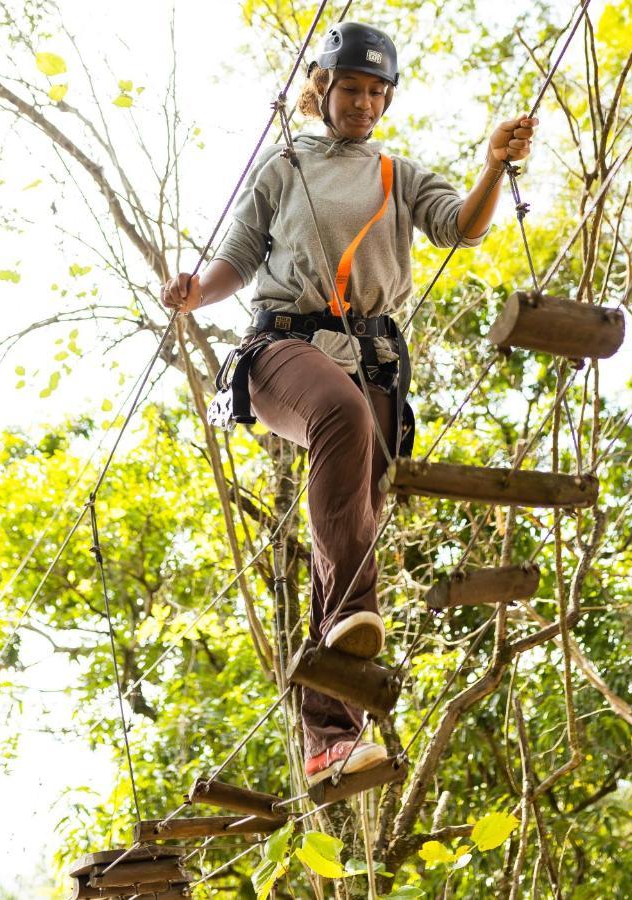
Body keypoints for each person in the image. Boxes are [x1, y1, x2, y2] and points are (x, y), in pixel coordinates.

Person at [162, 22, 537, 787]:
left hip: (372, 364)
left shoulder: (400, 175)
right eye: (350, 88)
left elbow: (461, 229)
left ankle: (331, 738)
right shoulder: (286, 164)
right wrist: (197, 291)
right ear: (323, 92)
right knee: (341, 420)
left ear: (387, 100)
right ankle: (351, 619)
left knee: (353, 528)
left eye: (376, 91)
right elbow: (237, 256)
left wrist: (494, 167)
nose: (363, 102)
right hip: (284, 351)